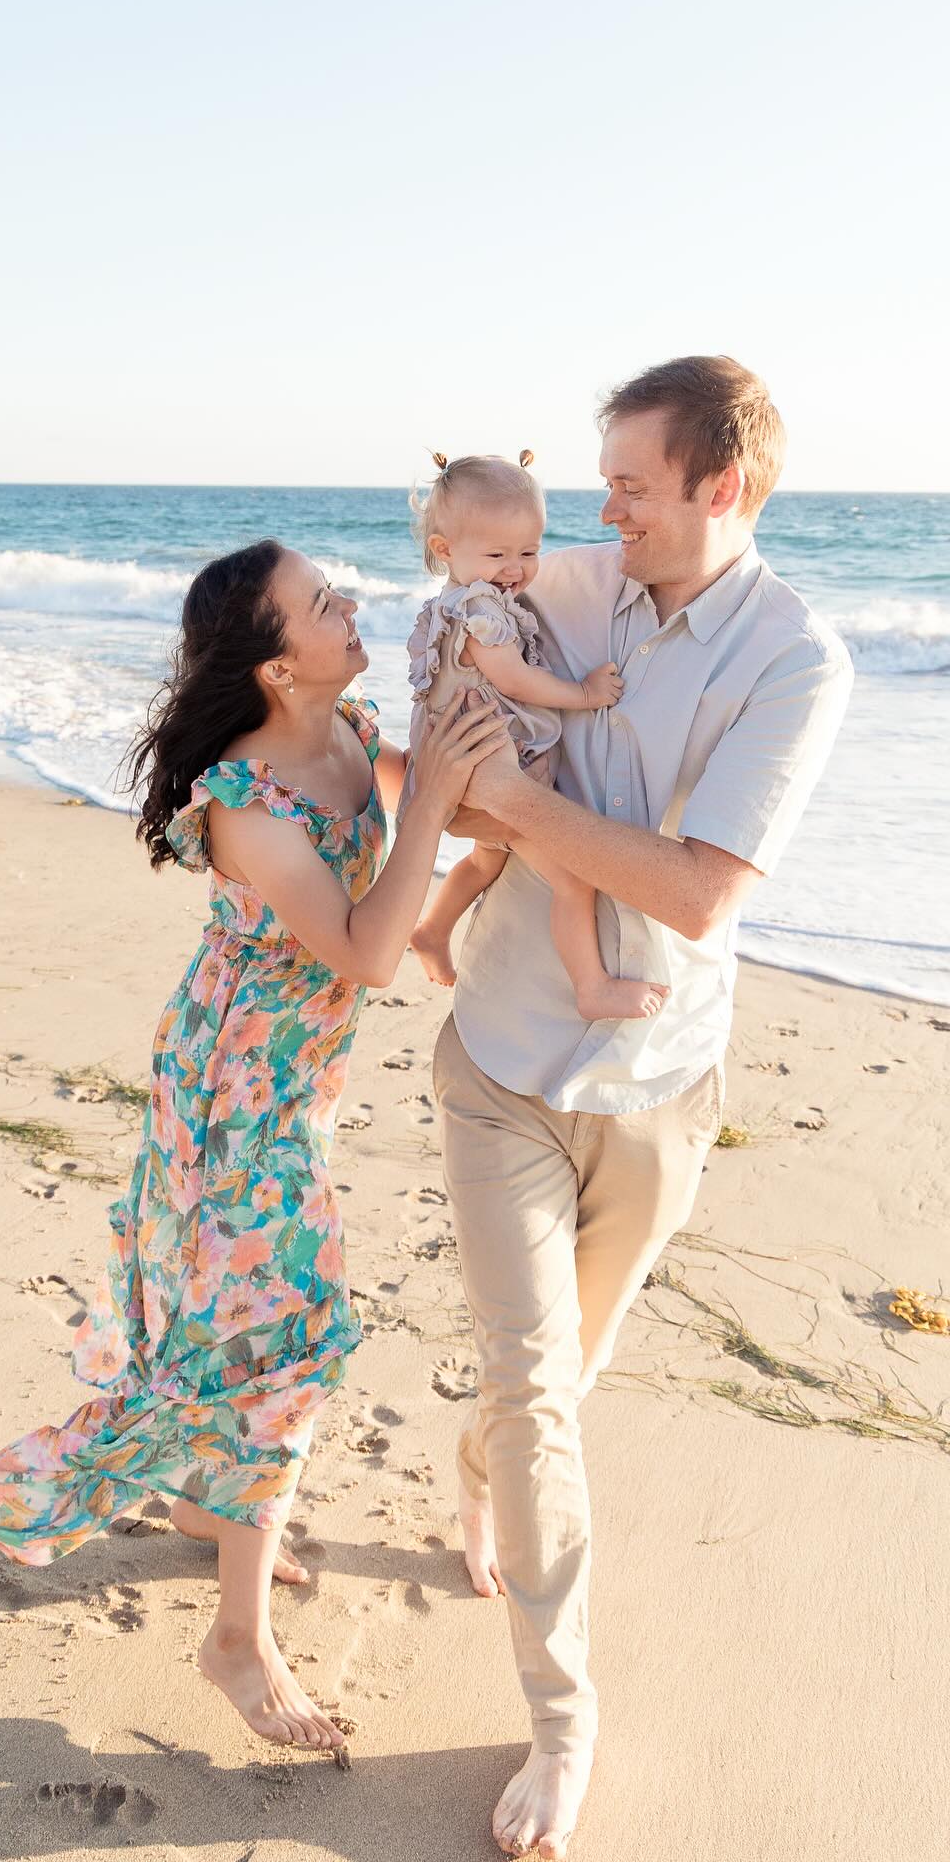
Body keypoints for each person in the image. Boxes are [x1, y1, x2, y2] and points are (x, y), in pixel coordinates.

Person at [0, 539, 506, 1752]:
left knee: (226, 1319)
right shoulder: (250, 805)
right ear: (272, 664)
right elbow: (365, 950)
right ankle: (237, 1642)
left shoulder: (351, 725)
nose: (350, 604)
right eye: (323, 603)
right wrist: (430, 805)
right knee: (286, 1341)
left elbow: (447, 794)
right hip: (231, 1094)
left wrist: (485, 715)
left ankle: (211, 1508)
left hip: (285, 1078)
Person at [431, 357, 853, 1859]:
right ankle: (564, 1716)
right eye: (600, 484)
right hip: (498, 1060)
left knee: (558, 1379)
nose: (597, 514)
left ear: (718, 488)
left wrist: (519, 812)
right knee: (535, 1380)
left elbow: (696, 891)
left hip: (659, 1085)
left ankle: (481, 1471)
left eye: (629, 485)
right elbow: (451, 678)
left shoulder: (798, 661)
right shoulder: (574, 583)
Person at [404, 450, 667, 1021]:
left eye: (529, 551)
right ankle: (592, 987)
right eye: (497, 553)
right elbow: (515, 680)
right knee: (574, 881)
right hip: (489, 770)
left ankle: (431, 929)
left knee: (484, 861)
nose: (515, 567)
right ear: (444, 550)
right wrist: (585, 694)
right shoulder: (479, 611)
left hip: (468, 764)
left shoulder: (460, 601)